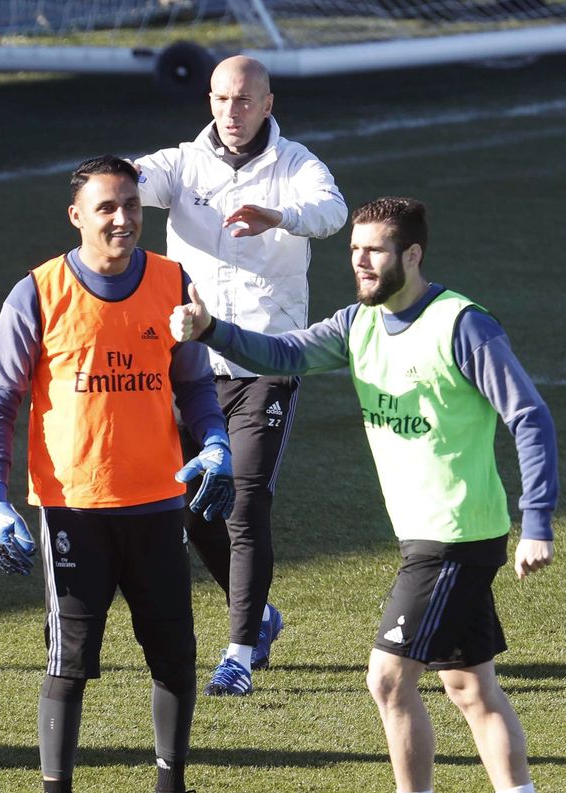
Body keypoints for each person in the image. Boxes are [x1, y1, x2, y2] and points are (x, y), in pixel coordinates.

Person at [170, 196, 561, 793]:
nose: (360, 261)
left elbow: (528, 415)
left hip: (452, 535)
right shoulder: (358, 324)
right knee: (471, 686)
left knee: (386, 678)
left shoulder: (460, 325)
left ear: (411, 254)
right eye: (354, 250)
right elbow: (284, 352)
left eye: (374, 250)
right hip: (430, 535)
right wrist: (212, 330)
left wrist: (537, 520)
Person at [0, 155, 235, 793]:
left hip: (157, 504)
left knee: (174, 656)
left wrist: (214, 441)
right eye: (106, 208)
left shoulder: (171, 281)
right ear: (76, 216)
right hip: (74, 510)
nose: (122, 219)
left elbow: (193, 383)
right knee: (69, 663)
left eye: (131, 206)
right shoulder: (37, 292)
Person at [135, 54, 347, 697]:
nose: (232, 111)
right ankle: (261, 618)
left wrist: (278, 216)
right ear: (209, 100)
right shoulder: (181, 164)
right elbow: (130, 181)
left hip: (266, 364)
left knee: (246, 502)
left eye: (246, 100)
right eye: (222, 98)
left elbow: (331, 211)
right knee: (194, 504)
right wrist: (106, 190)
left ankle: (238, 653)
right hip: (191, 370)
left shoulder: (295, 164)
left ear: (268, 104)